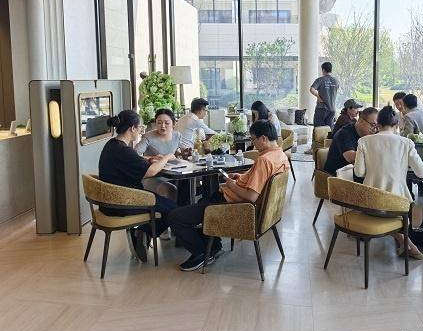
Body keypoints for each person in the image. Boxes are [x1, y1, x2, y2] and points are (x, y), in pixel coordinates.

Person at [168, 120, 289, 271]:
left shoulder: (264, 160)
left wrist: (231, 185)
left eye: (253, 139)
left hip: (234, 206)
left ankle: (201, 253)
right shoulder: (280, 156)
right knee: (201, 204)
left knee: (175, 217)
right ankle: (214, 247)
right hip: (248, 207)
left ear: (263, 138)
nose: (253, 143)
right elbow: (261, 182)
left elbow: (251, 196)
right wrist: (241, 177)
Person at [99, 110, 177, 262]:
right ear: (132, 128)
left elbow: (133, 159)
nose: (141, 130)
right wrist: (167, 157)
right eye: (140, 127)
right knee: (173, 210)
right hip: (124, 202)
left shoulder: (113, 145)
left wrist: (149, 158)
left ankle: (142, 234)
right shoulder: (123, 151)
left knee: (168, 206)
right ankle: (142, 232)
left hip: (111, 201)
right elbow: (151, 171)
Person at [354, 106, 423, 260]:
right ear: (397, 125)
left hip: (370, 203)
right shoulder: (406, 143)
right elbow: (422, 173)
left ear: (378, 124)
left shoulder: (364, 141)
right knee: (396, 210)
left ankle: (407, 245)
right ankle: (409, 245)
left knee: (382, 211)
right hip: (397, 205)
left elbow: (359, 172)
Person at [135, 109, 180, 215]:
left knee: (184, 187)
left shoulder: (177, 135)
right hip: (153, 176)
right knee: (171, 189)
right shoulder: (148, 137)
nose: (163, 126)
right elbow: (134, 155)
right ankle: (167, 218)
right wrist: (151, 158)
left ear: (173, 124)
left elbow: (177, 153)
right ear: (155, 123)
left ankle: (179, 217)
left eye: (167, 123)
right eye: (159, 123)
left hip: (172, 173)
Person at [324, 107, 379, 176]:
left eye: (377, 126)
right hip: (338, 176)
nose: (374, 130)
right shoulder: (344, 133)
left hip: (356, 172)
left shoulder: (370, 134)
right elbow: (351, 158)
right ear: (361, 121)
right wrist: (377, 153)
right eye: (373, 125)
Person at [310, 62, 339, 129]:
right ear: (331, 70)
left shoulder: (320, 80)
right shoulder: (336, 81)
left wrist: (318, 97)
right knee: (329, 130)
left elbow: (312, 89)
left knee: (318, 130)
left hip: (322, 108)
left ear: (323, 70)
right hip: (332, 109)